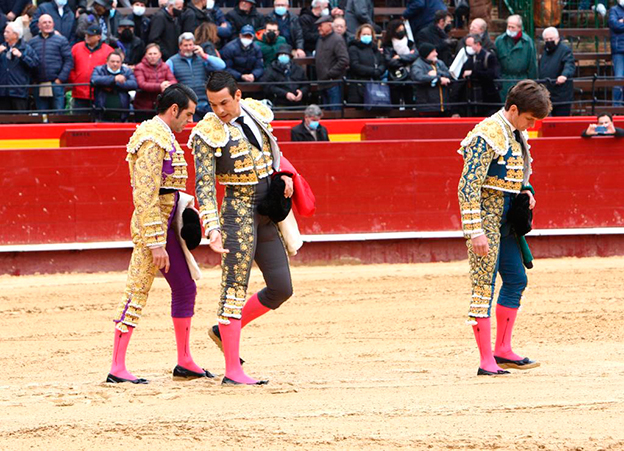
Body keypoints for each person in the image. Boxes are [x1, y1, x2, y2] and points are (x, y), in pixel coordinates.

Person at [192, 71, 294, 385]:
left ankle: (221, 331)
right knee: (233, 291)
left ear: (237, 96)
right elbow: (204, 186)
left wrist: (284, 175)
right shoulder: (206, 132)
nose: (219, 110)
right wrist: (212, 228)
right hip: (237, 213)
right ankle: (232, 372)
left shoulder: (256, 112)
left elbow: (273, 154)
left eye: (224, 102)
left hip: (266, 211)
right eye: (212, 104)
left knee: (281, 288)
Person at [107, 83, 211, 384]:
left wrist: (185, 210)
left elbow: (168, 190)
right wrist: (155, 243)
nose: (190, 121)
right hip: (152, 229)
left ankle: (185, 361)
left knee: (185, 287)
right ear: (174, 109)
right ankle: (117, 367)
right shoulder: (153, 139)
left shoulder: (163, 136)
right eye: (188, 115)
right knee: (137, 289)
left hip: (167, 226)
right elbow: (145, 195)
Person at [457, 79, 551, 376]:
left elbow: (513, 176)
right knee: (483, 287)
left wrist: (525, 190)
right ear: (513, 109)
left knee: (516, 279)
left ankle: (503, 350)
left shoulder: (515, 132)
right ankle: (486, 361)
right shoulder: (486, 133)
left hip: (507, 220)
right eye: (530, 119)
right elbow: (467, 187)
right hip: (486, 219)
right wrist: (475, 231)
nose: (531, 125)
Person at [166, 32, 225, 118]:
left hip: (205, 101)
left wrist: (203, 55)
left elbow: (221, 65)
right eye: (185, 45)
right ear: (180, 46)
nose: (188, 48)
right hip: (185, 103)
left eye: (190, 45)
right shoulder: (171, 61)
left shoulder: (201, 58)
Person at [29, 14, 73, 112]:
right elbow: (29, 62)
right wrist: (34, 80)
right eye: (44, 22)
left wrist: (60, 79)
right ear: (39, 25)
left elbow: (68, 60)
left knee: (58, 115)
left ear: (53, 24)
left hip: (56, 84)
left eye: (49, 22)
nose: (47, 24)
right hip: (39, 84)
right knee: (42, 116)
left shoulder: (61, 40)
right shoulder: (32, 42)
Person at [69, 24, 114, 112]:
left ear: (98, 37)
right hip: (79, 92)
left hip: (100, 93)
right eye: (86, 34)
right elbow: (70, 66)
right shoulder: (76, 48)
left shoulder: (108, 51)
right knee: (79, 118)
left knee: (99, 118)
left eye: (90, 35)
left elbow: (112, 69)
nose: (87, 37)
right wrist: (75, 80)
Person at [495, 14, 537, 98]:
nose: (510, 29)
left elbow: (532, 65)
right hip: (504, 81)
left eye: (513, 27)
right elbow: (495, 62)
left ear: (519, 28)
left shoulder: (528, 42)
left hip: (521, 80)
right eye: (508, 26)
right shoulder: (500, 41)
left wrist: (532, 84)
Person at [0, 22, 39, 111]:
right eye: (4, 32)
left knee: (20, 117)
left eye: (7, 32)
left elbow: (34, 64)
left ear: (15, 35)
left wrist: (21, 56)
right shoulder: (2, 47)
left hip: (19, 92)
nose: (4, 34)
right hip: (2, 92)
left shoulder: (26, 48)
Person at [91, 49, 138, 121]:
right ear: (107, 61)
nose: (115, 64)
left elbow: (133, 84)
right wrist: (114, 79)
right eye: (112, 61)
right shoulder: (99, 70)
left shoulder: (127, 71)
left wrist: (112, 84)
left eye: (118, 62)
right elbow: (94, 80)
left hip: (122, 115)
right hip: (102, 114)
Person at [460, 33, 500, 116]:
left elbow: (492, 74)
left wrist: (473, 73)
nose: (468, 48)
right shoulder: (470, 58)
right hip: (474, 97)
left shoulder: (489, 57)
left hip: (487, 97)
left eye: (470, 45)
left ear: (477, 44)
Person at [134, 43, 177, 119]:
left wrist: (167, 85)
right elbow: (142, 84)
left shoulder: (165, 66)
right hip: (144, 107)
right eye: (150, 54)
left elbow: (173, 81)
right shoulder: (139, 67)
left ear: (160, 55)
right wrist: (160, 86)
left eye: (155, 53)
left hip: (161, 106)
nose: (152, 56)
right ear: (145, 55)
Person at [538, 27, 574, 117]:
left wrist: (564, 75)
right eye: (546, 39)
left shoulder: (565, 50)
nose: (549, 41)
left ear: (557, 38)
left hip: (561, 95)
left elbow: (569, 65)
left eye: (551, 39)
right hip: (546, 93)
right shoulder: (544, 51)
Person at [315, 15, 349, 110]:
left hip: (333, 83)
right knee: (326, 113)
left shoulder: (337, 39)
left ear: (329, 25)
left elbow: (344, 60)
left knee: (335, 112)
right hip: (323, 83)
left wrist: (330, 74)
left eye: (321, 25)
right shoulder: (320, 40)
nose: (319, 28)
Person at [347, 23, 385, 106]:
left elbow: (382, 62)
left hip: (374, 84)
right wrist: (372, 71)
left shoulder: (375, 49)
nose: (366, 36)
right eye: (364, 34)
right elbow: (355, 65)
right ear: (359, 35)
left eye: (368, 34)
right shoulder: (353, 48)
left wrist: (379, 70)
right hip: (358, 85)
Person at [382, 19, 417, 107]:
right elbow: (389, 61)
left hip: (409, 76)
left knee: (410, 102)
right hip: (395, 77)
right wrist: (406, 60)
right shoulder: (388, 45)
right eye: (399, 30)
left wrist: (399, 57)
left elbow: (414, 56)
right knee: (395, 103)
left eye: (402, 29)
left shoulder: (410, 43)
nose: (401, 32)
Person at [410, 42, 451, 114]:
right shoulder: (417, 65)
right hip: (427, 106)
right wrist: (438, 79)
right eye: (433, 52)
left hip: (444, 105)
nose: (436, 54)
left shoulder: (439, 63)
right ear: (426, 53)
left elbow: (448, 74)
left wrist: (437, 73)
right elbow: (419, 77)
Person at [608, 0, 624, 105]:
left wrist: (622, 21)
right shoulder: (614, 10)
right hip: (619, 49)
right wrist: (619, 23)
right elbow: (614, 25)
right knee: (619, 78)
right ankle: (616, 106)